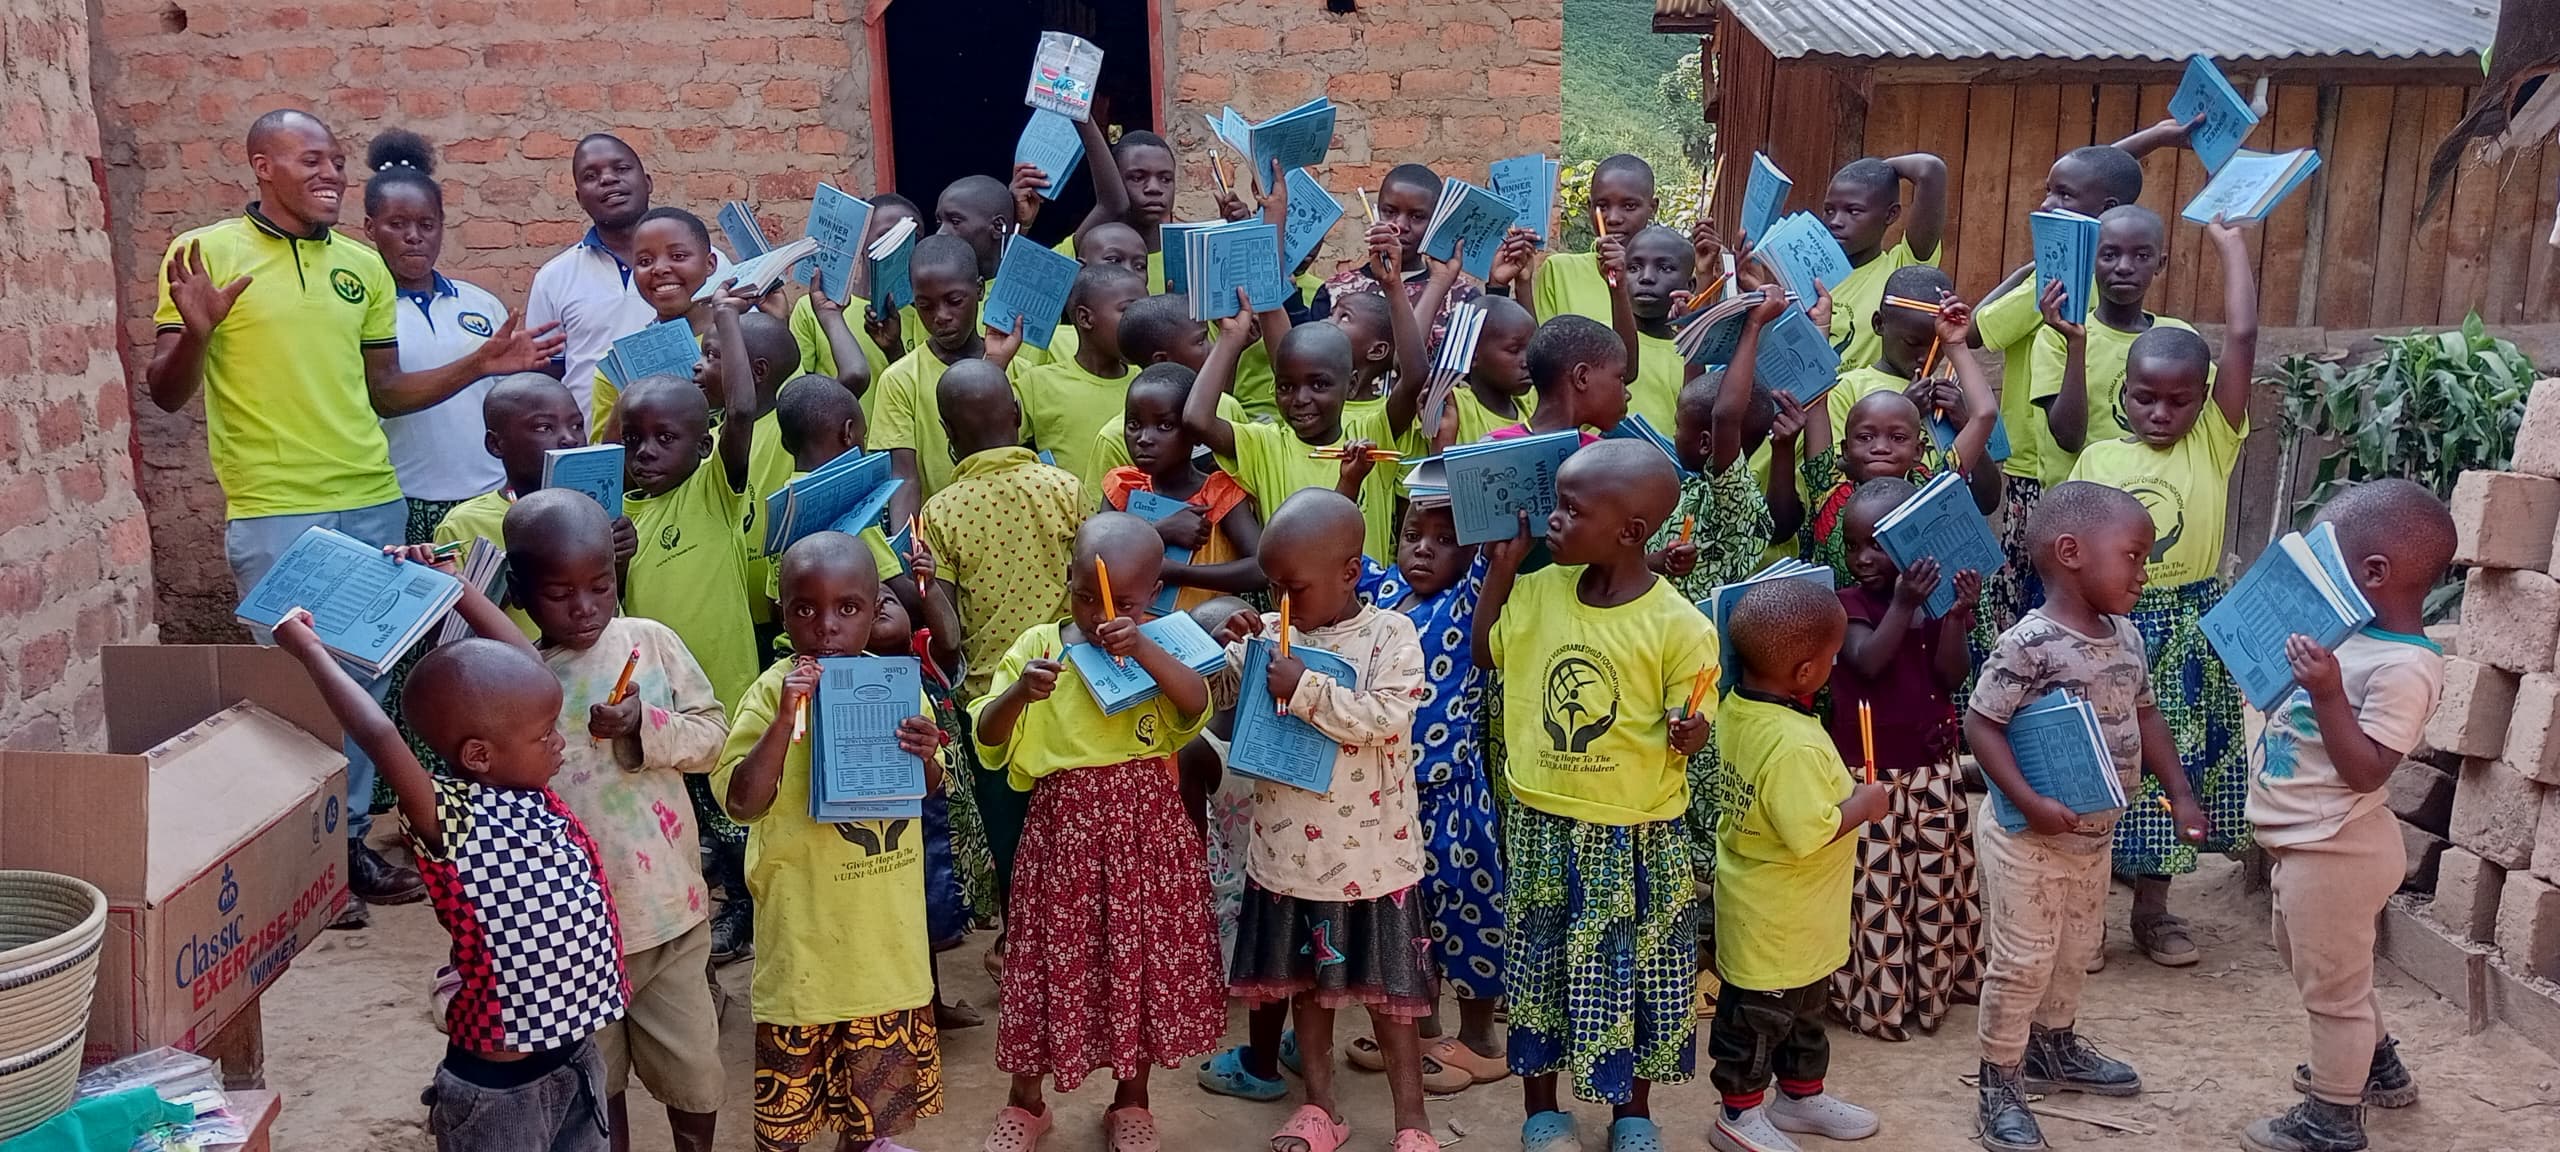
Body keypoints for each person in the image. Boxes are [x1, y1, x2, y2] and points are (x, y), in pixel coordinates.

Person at [146, 108, 559, 924]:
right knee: (293, 686)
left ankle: (344, 853)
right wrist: (196, 333)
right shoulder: (205, 254)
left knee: (365, 674)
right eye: (311, 159)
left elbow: (385, 392)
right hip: (274, 504)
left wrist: (478, 362)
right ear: (262, 165)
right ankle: (296, 859)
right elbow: (165, 392)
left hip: (372, 496)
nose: (331, 172)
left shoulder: (361, 269)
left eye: (337, 159)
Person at [271, 562, 622, 1152]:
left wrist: (456, 589)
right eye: (545, 736)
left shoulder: (529, 790)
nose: (559, 742)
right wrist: (308, 648)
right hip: (499, 1092)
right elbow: (380, 735)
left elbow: (529, 670)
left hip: (576, 1058)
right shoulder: (448, 816)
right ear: (480, 754)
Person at [1473, 441, 1716, 1152]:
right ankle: (1542, 1109)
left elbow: (1692, 724)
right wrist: (1503, 571)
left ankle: (1630, 1113)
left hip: (1635, 836)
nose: (1553, 521)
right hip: (1545, 822)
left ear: (1630, 531)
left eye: (1571, 511)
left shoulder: (1679, 625)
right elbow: (1489, 652)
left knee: (1635, 974)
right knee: (1540, 967)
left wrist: (1689, 730)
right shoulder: (1539, 589)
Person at [1962, 481, 2209, 1152]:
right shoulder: (2029, 643)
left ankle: (2054, 1047)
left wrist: (2181, 792)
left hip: (2093, 839)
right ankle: (2000, 1080)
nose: (2144, 570)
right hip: (2028, 839)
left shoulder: (2126, 636)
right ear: (2071, 552)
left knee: (2074, 952)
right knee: (2023, 962)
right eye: (2133, 554)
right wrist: (2032, 802)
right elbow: (1981, 726)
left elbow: (2147, 713)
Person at [971, 514, 1223, 1152]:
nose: (1097, 613)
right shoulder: (1038, 646)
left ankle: (1131, 1099)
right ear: (1069, 580)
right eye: (1085, 595)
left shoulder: (1163, 641)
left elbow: (1195, 705)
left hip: (1146, 831)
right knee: (1046, 960)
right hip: (1062, 835)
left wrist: (1144, 646)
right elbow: (989, 737)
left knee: (1135, 961)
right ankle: (1027, 1102)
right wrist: (1020, 696)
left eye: (1122, 601)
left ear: (1154, 592)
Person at [1206, 492, 1442, 1152]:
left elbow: (1385, 717)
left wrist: (1303, 687)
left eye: (1294, 587)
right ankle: (1320, 1108)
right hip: (1287, 861)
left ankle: (1411, 1122)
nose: (1281, 600)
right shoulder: (1279, 636)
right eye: (1272, 585)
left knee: (1390, 1003)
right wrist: (1238, 655)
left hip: (1374, 864)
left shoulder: (1390, 636)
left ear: (1350, 573)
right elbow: (1241, 705)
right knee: (1308, 991)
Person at [501, 490, 729, 1152]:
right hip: (578, 937)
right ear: (520, 591)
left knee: (695, 1073)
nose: (584, 607)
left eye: (600, 586)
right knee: (598, 1085)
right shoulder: (520, 678)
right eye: (560, 592)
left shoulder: (649, 644)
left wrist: (644, 725)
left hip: (669, 914)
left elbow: (712, 736)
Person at [2062, 216, 2259, 969]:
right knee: (2100, 763)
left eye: (2180, 401)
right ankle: (2088, 920)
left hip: (2187, 625)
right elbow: (2065, 543)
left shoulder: (2215, 437)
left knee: (2177, 766)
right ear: (2127, 393)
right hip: (2110, 628)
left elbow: (2240, 340)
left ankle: (2154, 909)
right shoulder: (2100, 456)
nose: (2162, 414)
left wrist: (2232, 244)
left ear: (2203, 400)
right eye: (2147, 399)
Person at [714, 533, 952, 1152]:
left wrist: (927, 754)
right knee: (787, 1125)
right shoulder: (772, 691)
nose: (825, 626)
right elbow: (743, 801)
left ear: (875, 611)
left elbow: (926, 789)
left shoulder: (895, 684)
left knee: (874, 1122)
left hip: (885, 953)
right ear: (783, 611)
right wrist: (783, 719)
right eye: (804, 609)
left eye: (847, 609)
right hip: (805, 955)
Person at [2242, 480, 2455, 1152]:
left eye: (2324, 561)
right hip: (2306, 845)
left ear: (2372, 573)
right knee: (2322, 965)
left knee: (2331, 988)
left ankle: (2333, 1119)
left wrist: (2328, 691)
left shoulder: (2405, 666)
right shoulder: (2350, 637)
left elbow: (2366, 769)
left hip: (2336, 848)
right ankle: (2376, 1063)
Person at [1708, 577, 1885, 1152]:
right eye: (1832, 658)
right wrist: (1864, 802)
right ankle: (1738, 1114)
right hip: (1777, 918)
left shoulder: (1738, 707)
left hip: (1795, 915)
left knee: (1805, 1012)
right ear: (1807, 672)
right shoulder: (1792, 744)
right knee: (1757, 1023)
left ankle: (1801, 1098)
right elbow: (1811, 831)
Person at [618, 284, 762, 962]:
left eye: (664, 438)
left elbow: (739, 407)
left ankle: (748, 905)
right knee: (695, 811)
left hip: (724, 692)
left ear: (700, 445)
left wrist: (727, 317)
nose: (645, 452)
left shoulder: (712, 492)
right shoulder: (619, 519)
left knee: (734, 808)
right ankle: (721, 899)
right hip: (658, 701)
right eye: (632, 440)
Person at [1822, 478, 1984, 1041]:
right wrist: (1905, 602)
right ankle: (1877, 998)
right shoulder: (1846, 605)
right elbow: (1866, 662)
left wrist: (1958, 616)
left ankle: (1934, 987)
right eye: (1852, 545)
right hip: (1870, 777)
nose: (1862, 558)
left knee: (1936, 885)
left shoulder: (1934, 603)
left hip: (1932, 771)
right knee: (1878, 893)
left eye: (1876, 545)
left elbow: (1949, 676)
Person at [1640, 313, 1775, 884]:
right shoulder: (1685, 485)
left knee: (1699, 798)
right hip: (1659, 664)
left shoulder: (1734, 494)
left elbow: (1722, 414)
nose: (1670, 434)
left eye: (1676, 426)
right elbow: (1706, 401)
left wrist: (1751, 331)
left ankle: (1704, 914)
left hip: (1705, 680)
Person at [360, 129, 510, 543]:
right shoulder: (362, 311)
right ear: (370, 229)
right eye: (397, 224)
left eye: (427, 224)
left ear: (442, 225)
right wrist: (475, 365)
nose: (414, 236)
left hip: (486, 495)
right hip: (403, 497)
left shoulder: (480, 305)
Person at [1793, 295, 2001, 584]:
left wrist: (1955, 345)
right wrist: (1820, 329)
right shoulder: (1828, 488)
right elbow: (1816, 398)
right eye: (1865, 437)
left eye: (1898, 437)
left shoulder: (1931, 487)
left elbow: (1984, 414)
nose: (1880, 447)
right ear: (1845, 449)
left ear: (1919, 451)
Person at [1182, 297, 1405, 560]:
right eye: (1285, 387)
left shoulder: (1369, 436)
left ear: (1351, 385)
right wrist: (1230, 338)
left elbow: (1414, 379)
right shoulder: (1264, 445)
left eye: (1319, 385)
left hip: (1365, 599)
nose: (1300, 399)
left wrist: (1395, 289)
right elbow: (1197, 419)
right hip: (1289, 602)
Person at [916, 359, 1085, 702]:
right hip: (1068, 681)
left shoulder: (939, 512)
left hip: (990, 695)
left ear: (946, 429)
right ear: (1018, 413)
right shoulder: (1066, 488)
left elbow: (947, 637)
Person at [526, 133, 725, 420]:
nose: (607, 179)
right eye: (591, 175)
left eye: (621, 169)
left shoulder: (710, 263)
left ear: (647, 182)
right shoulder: (554, 277)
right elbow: (547, 380)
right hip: (601, 445)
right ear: (579, 198)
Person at [431, 372, 622, 640]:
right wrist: (506, 585)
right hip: (516, 674)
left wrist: (621, 556)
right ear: (496, 444)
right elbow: (449, 634)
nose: (569, 438)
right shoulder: (464, 524)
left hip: (605, 667)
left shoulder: (597, 508)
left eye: (577, 425)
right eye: (544, 428)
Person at [2031, 206, 2205, 487]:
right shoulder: (2056, 337)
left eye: (2142, 256)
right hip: (2079, 502)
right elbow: (2069, 437)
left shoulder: (2179, 338)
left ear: (2160, 264)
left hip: (2154, 494)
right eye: (2109, 255)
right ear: (2089, 261)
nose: (2124, 267)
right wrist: (2077, 344)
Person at [1099, 364, 1266, 611]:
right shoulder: (1122, 486)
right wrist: (1160, 532)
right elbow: (1098, 558)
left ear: (1195, 434)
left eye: (1164, 426)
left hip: (1205, 633)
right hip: (1127, 631)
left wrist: (1179, 572)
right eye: (1134, 425)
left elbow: (1262, 568)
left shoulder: (1219, 494)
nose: (1144, 438)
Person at [870, 234, 1006, 519]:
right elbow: (904, 478)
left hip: (1008, 532)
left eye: (954, 301)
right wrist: (905, 550)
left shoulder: (1013, 366)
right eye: (926, 306)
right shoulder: (899, 379)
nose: (941, 316)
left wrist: (997, 367)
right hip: (937, 545)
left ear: (979, 290)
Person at [1805, 154, 1946, 373]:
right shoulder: (1809, 274)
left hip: (1868, 404)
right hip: (1807, 405)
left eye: (1853, 211)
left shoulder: (1900, 270)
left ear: (1891, 214)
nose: (1835, 222)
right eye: (1829, 210)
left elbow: (1931, 169)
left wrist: (1880, 169)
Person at [1016, 263, 1147, 484]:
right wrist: (996, 360)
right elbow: (990, 441)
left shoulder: (1148, 383)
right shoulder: (1038, 383)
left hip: (1141, 517)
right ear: (1085, 318)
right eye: (1128, 311)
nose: (1142, 322)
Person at [1323, 163, 1484, 343]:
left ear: (1436, 222)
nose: (1400, 225)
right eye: (1389, 212)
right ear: (1375, 212)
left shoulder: (1461, 297)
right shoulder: (1335, 291)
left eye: (1417, 217)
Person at [788, 192, 923, 395]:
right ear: (860, 242)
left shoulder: (925, 314)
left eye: (912, 238)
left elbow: (920, 394)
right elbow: (798, 393)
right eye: (886, 236)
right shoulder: (811, 309)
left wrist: (895, 348)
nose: (900, 247)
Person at [1533, 153, 1658, 325]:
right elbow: (1537, 343)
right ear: (1589, 207)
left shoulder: (1666, 276)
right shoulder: (1560, 271)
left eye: (1629, 206)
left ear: (1653, 208)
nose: (1613, 218)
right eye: (1602, 206)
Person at [1621, 224, 1703, 432]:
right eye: (1633, 268)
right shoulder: (1599, 341)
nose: (1646, 277)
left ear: (1690, 286)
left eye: (1665, 268)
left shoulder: (1699, 358)